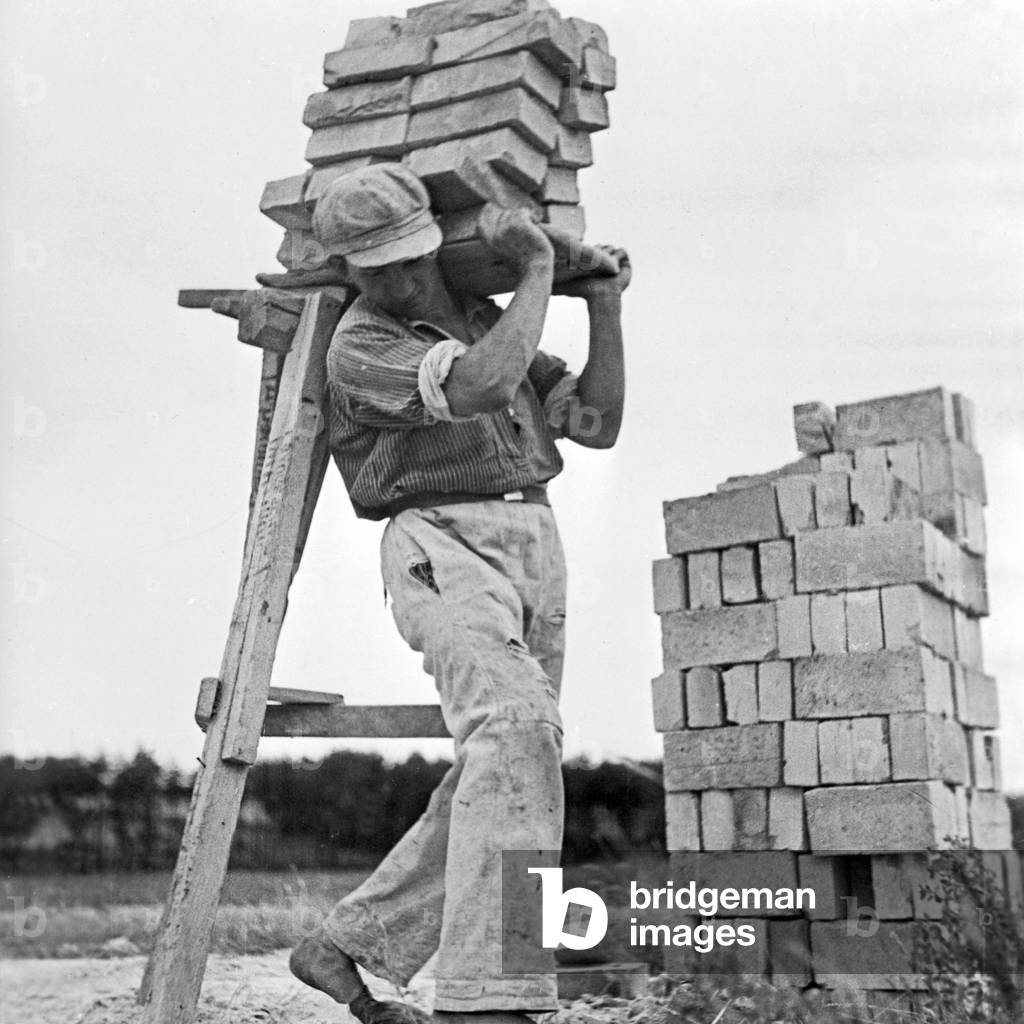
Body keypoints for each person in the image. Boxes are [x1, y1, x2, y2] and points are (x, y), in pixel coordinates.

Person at [289, 162, 630, 1024]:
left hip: (534, 543)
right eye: (377, 268)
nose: (399, 278)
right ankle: (489, 1002)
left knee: (511, 757)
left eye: (408, 258)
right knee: (517, 730)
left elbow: (596, 424)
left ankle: (346, 946)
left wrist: (603, 302)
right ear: (350, 271)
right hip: (439, 541)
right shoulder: (363, 343)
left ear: (435, 239)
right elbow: (474, 386)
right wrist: (543, 271)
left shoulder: (492, 323)